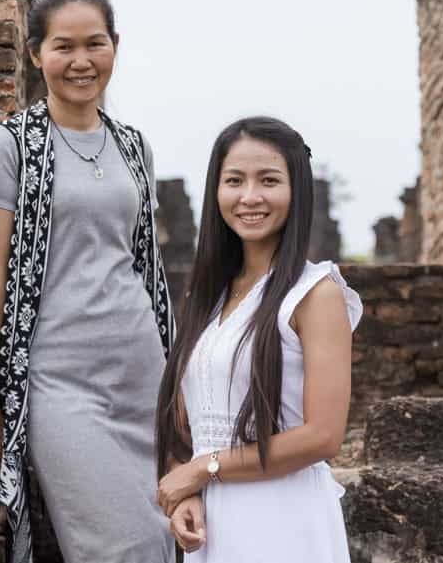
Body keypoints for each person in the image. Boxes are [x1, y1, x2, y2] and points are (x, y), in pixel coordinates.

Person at [0, 0, 175, 563]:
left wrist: (177, 377)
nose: (81, 61)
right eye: (64, 46)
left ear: (116, 46)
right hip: (57, 379)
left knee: (165, 533)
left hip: (141, 369)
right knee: (116, 544)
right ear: (35, 53)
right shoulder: (9, 146)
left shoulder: (134, 147)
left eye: (96, 44)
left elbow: (146, 266)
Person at [154, 117, 363, 562]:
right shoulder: (209, 293)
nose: (250, 197)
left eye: (268, 180)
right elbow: (191, 416)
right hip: (213, 524)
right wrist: (186, 488)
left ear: (296, 190)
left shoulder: (315, 293)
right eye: (234, 181)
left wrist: (204, 470)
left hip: (283, 517)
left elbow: (323, 436)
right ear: (216, 191)